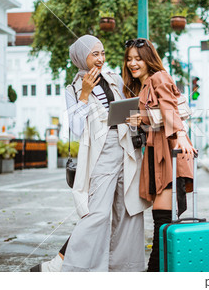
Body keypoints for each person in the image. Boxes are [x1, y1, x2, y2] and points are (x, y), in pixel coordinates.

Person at [33, 35, 151, 272]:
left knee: (129, 210)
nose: (101, 59)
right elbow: (76, 128)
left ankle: (125, 269)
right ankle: (72, 268)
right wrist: (85, 94)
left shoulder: (115, 78)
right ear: (81, 57)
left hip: (127, 149)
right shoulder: (73, 89)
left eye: (103, 53)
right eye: (94, 54)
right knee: (96, 213)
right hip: (101, 153)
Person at [123, 38, 197, 272]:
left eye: (138, 58)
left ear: (149, 59)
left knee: (162, 221)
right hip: (156, 155)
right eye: (129, 59)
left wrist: (182, 135)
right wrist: (140, 119)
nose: (132, 63)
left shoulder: (159, 77)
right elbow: (156, 117)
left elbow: (169, 107)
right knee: (161, 222)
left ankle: (154, 273)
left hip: (169, 153)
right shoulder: (142, 86)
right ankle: (158, 271)